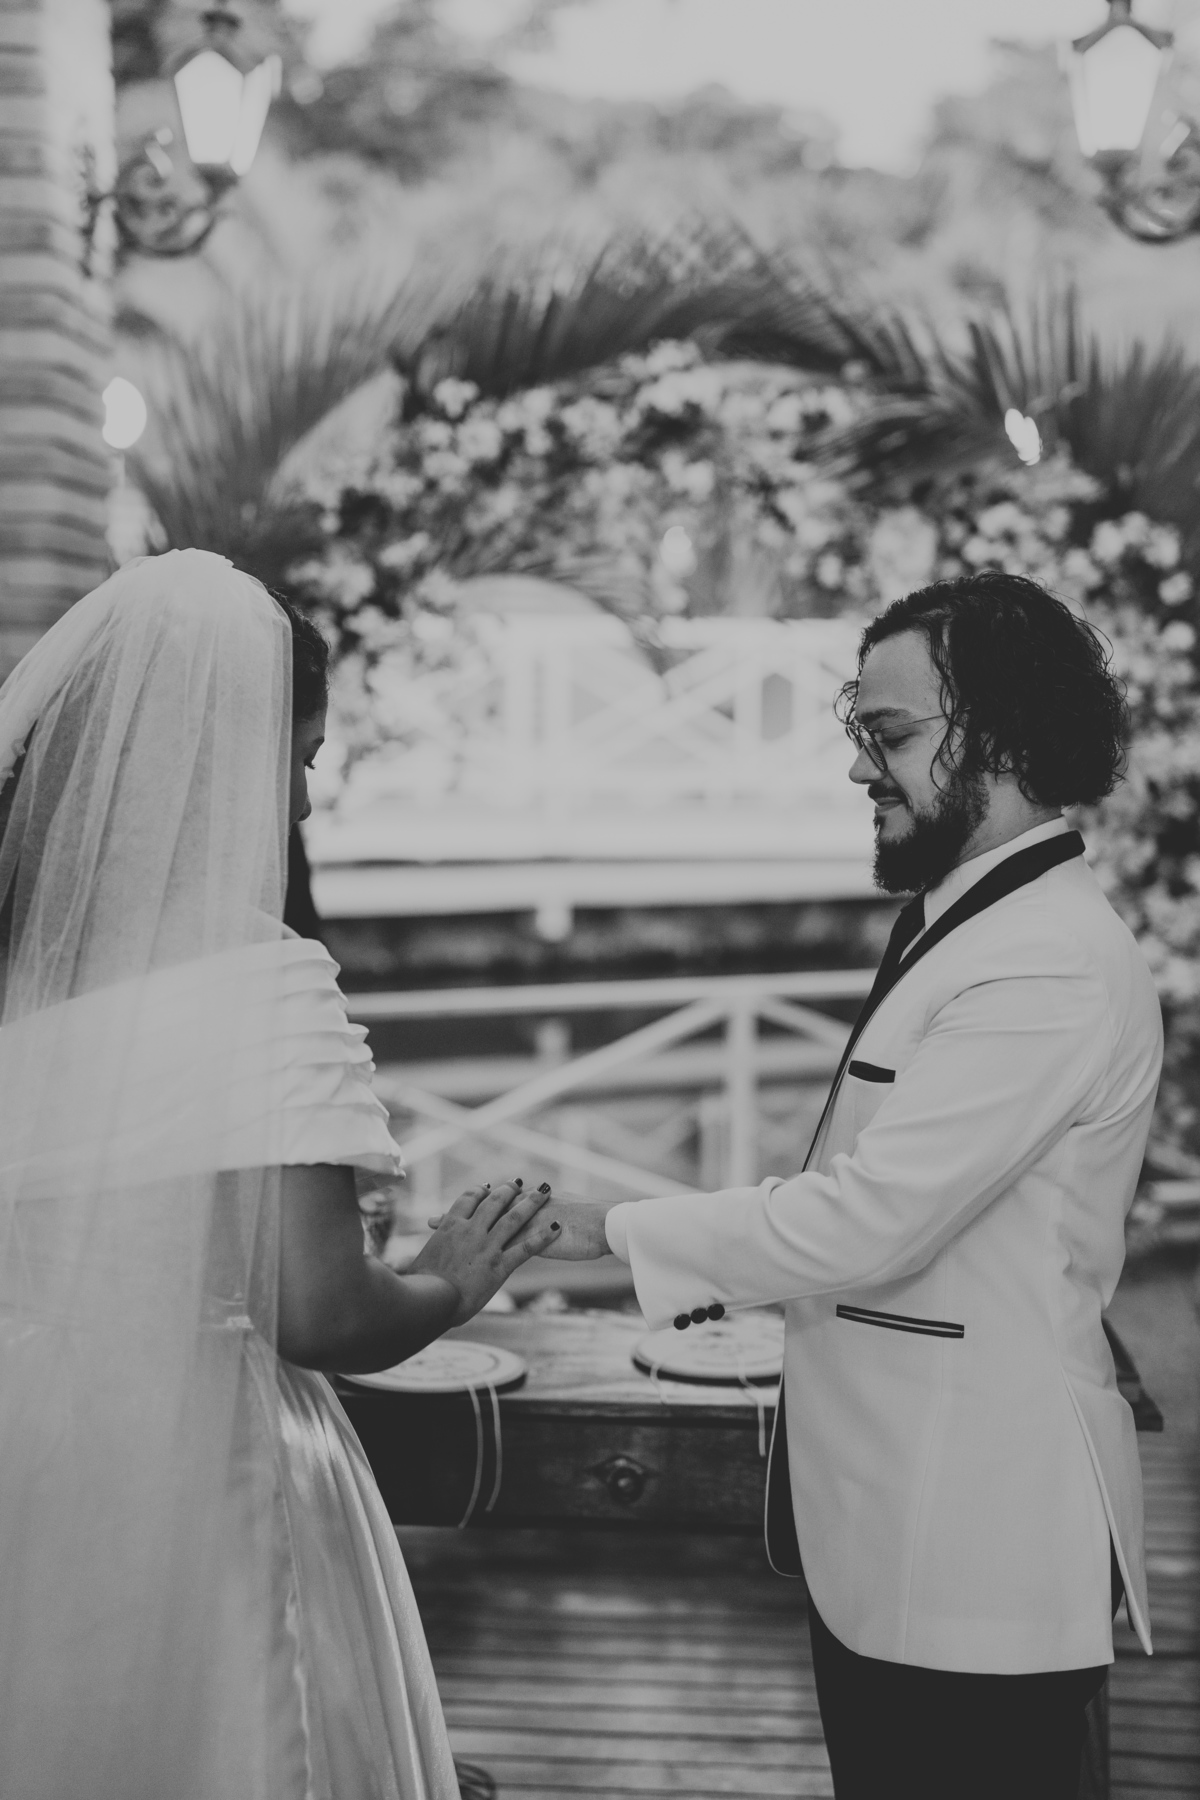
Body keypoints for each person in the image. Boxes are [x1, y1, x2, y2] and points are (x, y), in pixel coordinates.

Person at [542, 572, 1164, 1800]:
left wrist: (604, 1229)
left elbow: (873, 1219)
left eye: (888, 735)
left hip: (972, 1549)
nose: (857, 767)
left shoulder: (1042, 961)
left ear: (1005, 738)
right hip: (904, 1535)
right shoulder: (975, 923)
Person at [0, 549, 559, 1800]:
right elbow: (321, 1313)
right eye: (297, 761)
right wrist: (450, 1279)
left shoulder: (17, 976)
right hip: (202, 1472)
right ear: (224, 760)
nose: (302, 804)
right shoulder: (258, 982)